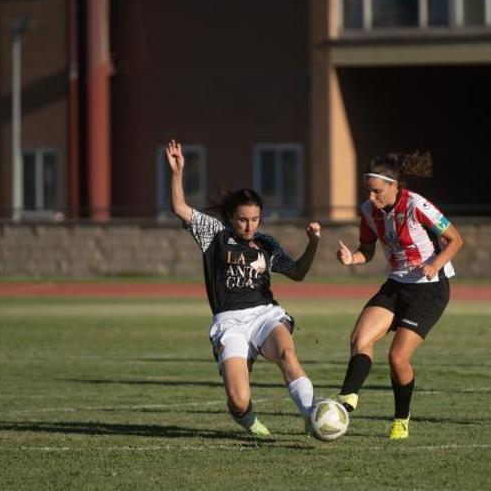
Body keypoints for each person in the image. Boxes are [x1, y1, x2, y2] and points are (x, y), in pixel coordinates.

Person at [165, 139, 321, 437]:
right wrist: (177, 172)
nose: (249, 226)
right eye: (243, 220)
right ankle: (251, 423)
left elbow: (298, 272)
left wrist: (313, 243)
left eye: (255, 219)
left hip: (265, 315)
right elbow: (179, 207)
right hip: (229, 323)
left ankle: (312, 415)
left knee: (288, 354)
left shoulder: (266, 243)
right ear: (230, 217)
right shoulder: (215, 234)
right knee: (238, 401)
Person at [334, 151, 463, 440]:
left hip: (429, 288)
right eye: (367, 190)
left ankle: (401, 420)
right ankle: (346, 400)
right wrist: (350, 259)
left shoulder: (417, 205)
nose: (371, 196)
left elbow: (456, 239)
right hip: (396, 283)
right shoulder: (368, 210)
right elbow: (366, 251)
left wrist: (434, 264)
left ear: (394, 185)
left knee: (397, 357)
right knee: (360, 338)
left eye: (377, 190)